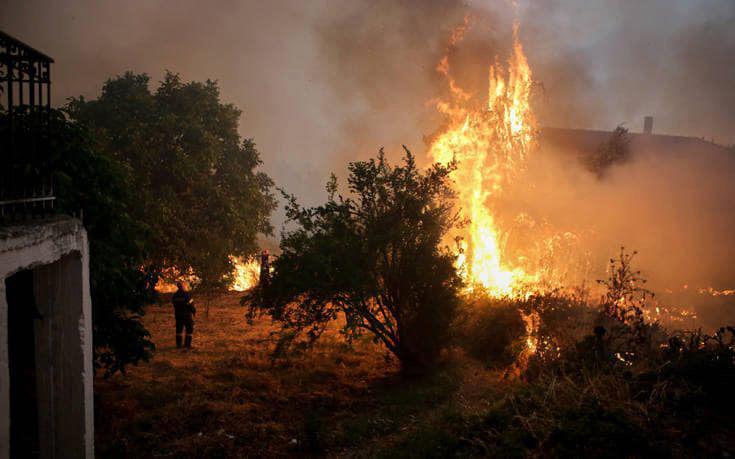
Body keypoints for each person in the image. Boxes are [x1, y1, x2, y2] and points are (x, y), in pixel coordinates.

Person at [172, 281, 196, 349]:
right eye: (185, 285)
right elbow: (191, 305)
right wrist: (194, 312)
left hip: (178, 315)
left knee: (179, 330)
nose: (186, 286)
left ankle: (178, 345)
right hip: (187, 315)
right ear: (183, 286)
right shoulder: (187, 295)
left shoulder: (174, 295)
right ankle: (187, 345)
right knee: (189, 329)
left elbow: (174, 304)